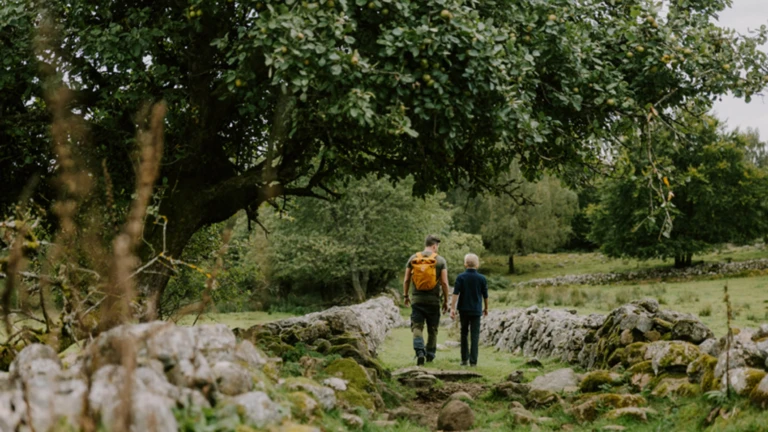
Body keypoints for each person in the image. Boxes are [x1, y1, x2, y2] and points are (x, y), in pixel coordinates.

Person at [403, 234, 450, 366]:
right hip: (433, 301)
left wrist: (406, 296)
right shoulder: (440, 261)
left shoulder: (413, 259)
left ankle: (419, 352)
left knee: (417, 327)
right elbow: (445, 283)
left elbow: (406, 279)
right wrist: (446, 301)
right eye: (437, 247)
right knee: (433, 328)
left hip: (417, 300)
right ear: (434, 246)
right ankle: (430, 355)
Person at [450, 253, 488, 367]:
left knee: (464, 333)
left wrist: (452, 308)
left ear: (465, 264)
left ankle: (464, 359)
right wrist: (486, 308)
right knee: (475, 335)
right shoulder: (482, 278)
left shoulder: (461, 277)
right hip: (476, 310)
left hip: (464, 310)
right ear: (477, 264)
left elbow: (455, 293)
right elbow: (485, 295)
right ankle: (473, 361)